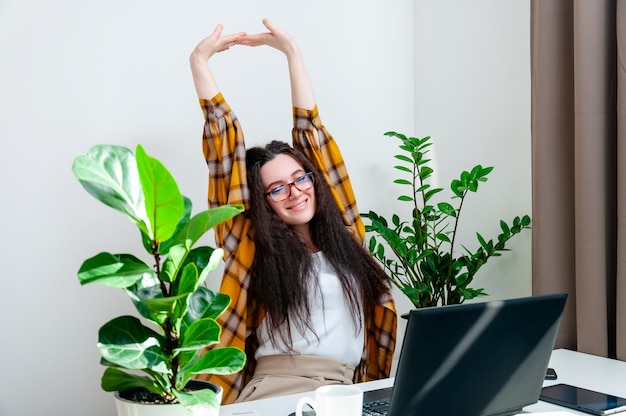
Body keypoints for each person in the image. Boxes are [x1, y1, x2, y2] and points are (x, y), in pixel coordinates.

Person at [189, 19, 397, 405]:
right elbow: (223, 150)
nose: (295, 192)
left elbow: (312, 133)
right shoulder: (252, 250)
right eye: (277, 188)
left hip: (348, 390)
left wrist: (292, 53)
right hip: (279, 389)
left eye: (300, 178)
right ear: (262, 202)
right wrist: (200, 61)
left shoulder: (348, 236)